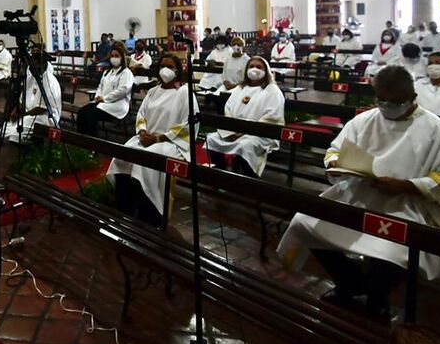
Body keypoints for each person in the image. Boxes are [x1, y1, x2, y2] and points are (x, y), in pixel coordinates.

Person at [277, 66, 440, 320]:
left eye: (396, 101)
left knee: (392, 251)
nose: (387, 106)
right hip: (355, 196)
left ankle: (378, 296)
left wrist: (408, 185)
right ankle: (349, 282)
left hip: (403, 205)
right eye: (382, 100)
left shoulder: (438, 131)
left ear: (412, 96)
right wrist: (335, 163)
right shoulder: (364, 121)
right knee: (303, 223)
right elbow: (334, 150)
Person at [107, 54, 190, 226]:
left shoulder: (184, 93)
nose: (165, 70)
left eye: (170, 66)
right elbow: (141, 114)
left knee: (144, 163)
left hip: (169, 142)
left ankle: (150, 213)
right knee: (123, 155)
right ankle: (124, 207)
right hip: (147, 137)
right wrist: (143, 131)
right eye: (162, 66)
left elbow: (187, 125)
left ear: (177, 70)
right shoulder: (153, 91)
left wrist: (158, 137)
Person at [203, 56, 285, 177]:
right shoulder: (240, 88)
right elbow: (228, 109)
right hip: (235, 131)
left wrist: (246, 131)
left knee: (245, 146)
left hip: (260, 133)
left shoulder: (272, 90)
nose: (254, 69)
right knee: (211, 139)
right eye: (251, 66)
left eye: (259, 67)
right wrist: (232, 129)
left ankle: (248, 178)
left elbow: (271, 116)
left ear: (266, 71)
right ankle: (221, 172)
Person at [2, 49, 62, 143]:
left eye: (35, 65)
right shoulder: (30, 79)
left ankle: (27, 151)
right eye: (31, 65)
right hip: (28, 115)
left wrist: (23, 114)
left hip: (44, 117)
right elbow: (23, 99)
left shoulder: (50, 82)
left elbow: (43, 108)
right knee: (4, 130)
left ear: (42, 65)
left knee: (15, 134)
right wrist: (16, 110)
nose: (31, 68)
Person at [76, 43, 134, 136]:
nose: (114, 58)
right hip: (102, 102)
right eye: (112, 56)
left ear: (122, 58)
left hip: (116, 105)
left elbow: (123, 90)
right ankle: (81, 140)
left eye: (117, 56)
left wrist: (105, 99)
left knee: (90, 114)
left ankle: (93, 142)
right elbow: (100, 86)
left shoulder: (126, 73)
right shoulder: (107, 72)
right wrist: (98, 97)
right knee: (82, 112)